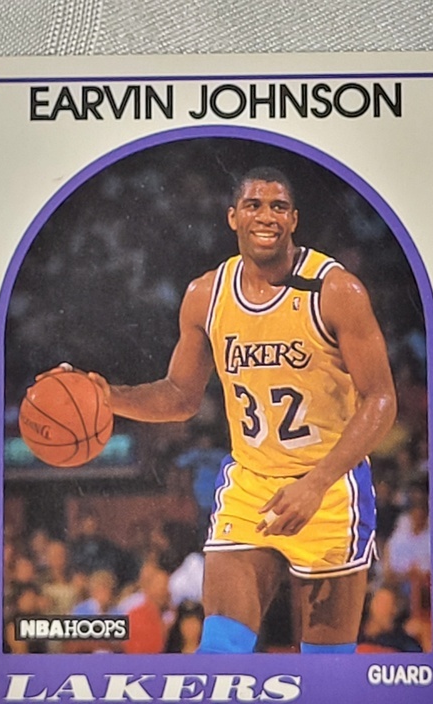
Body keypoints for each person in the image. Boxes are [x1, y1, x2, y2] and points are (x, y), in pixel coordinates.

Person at [40, 166, 397, 654]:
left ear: (294, 219)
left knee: (326, 671)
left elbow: (381, 398)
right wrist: (108, 396)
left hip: (329, 488)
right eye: (254, 205)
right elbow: (180, 396)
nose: (266, 216)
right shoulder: (206, 295)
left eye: (278, 206)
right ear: (233, 217)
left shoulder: (336, 291)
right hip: (251, 485)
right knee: (220, 653)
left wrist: (315, 484)